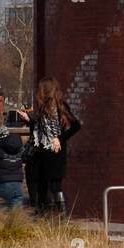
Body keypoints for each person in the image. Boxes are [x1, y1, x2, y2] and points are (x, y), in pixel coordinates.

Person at [17, 78, 81, 217]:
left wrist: (59, 139)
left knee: (54, 186)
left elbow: (76, 126)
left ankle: (61, 217)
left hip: (54, 153)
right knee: (40, 187)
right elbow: (39, 130)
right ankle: (42, 216)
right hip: (39, 154)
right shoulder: (41, 108)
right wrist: (30, 120)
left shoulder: (60, 107)